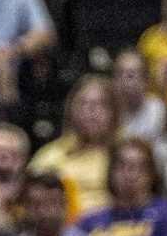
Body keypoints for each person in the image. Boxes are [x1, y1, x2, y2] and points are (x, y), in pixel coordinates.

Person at [32, 75, 118, 208]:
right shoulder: (49, 156)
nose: (92, 111)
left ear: (114, 112)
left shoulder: (124, 156)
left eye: (101, 104)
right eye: (83, 103)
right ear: (71, 110)